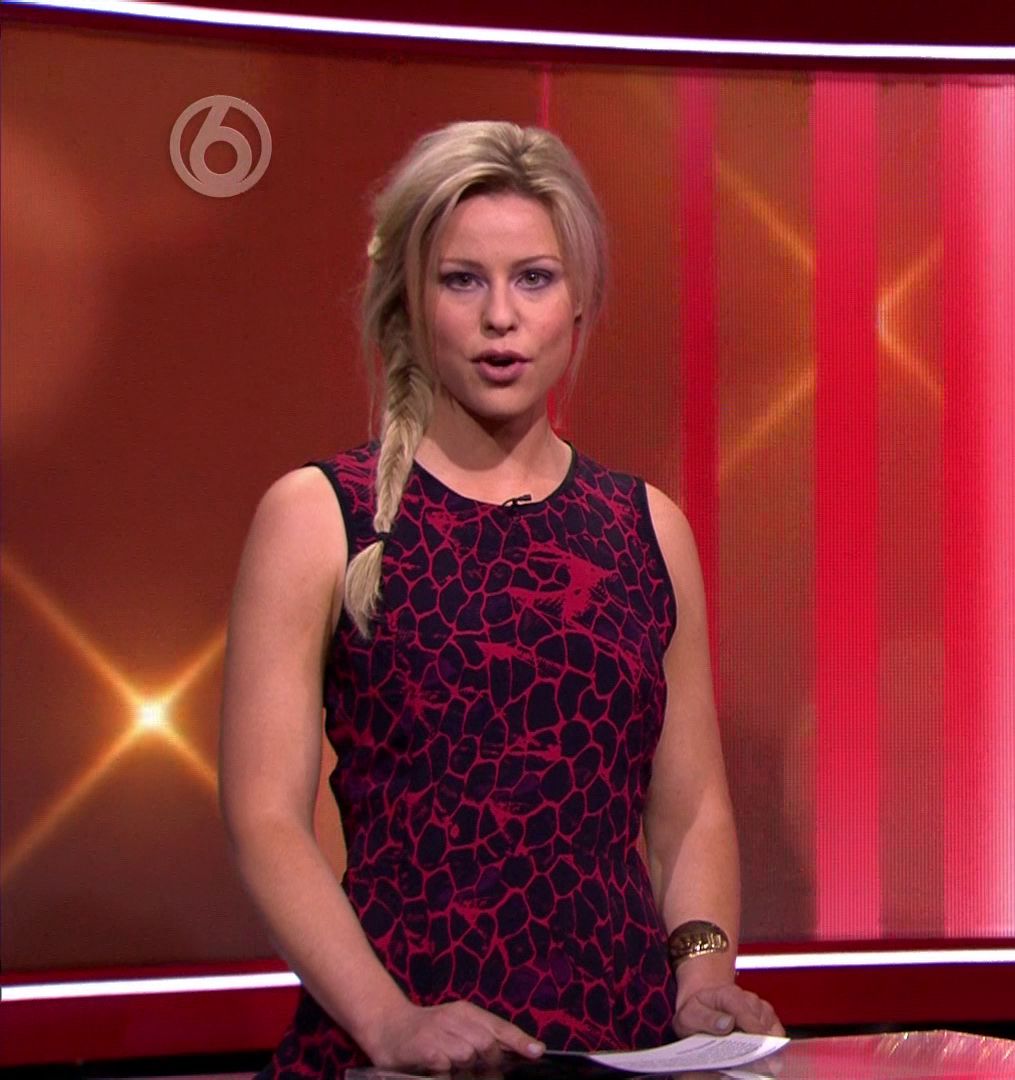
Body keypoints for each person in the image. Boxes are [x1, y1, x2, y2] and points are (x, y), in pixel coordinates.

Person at [219, 120, 781, 1076]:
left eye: (534, 278)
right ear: (409, 299)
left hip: (622, 1041)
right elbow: (266, 819)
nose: (500, 318)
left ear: (579, 302)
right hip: (397, 1049)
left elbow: (688, 812)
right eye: (461, 281)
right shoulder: (320, 516)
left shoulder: (645, 528)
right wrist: (392, 1023)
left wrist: (700, 975)